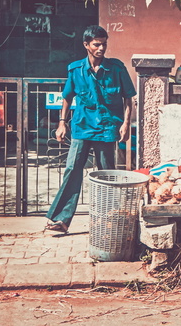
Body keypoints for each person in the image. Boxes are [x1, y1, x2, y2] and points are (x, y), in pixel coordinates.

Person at [45, 25, 136, 233]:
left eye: (104, 44)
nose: (101, 48)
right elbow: (67, 97)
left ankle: (110, 221)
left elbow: (128, 99)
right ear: (86, 45)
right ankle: (61, 220)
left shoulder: (117, 69)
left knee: (106, 175)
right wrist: (62, 123)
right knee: (72, 171)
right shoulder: (76, 70)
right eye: (97, 44)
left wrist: (125, 123)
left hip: (106, 130)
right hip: (81, 128)